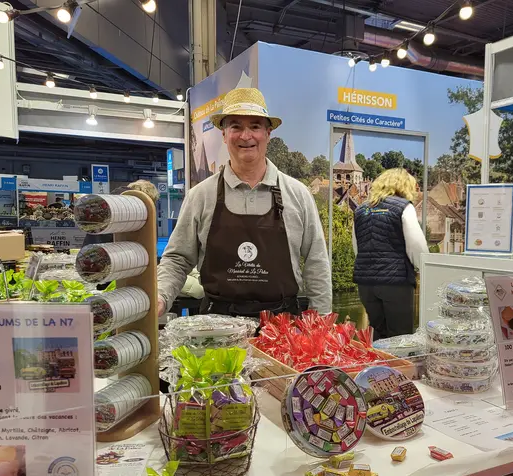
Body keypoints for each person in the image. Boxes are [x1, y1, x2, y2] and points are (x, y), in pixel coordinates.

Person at [156, 87, 331, 318]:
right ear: (224, 134)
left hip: (283, 329)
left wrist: (322, 323)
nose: (245, 135)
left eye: (255, 126)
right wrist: (160, 296)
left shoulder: (298, 195)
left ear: (268, 133)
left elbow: (316, 263)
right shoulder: (201, 196)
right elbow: (178, 259)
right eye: (236, 126)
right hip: (217, 328)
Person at [353, 168, 429, 340]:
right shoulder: (403, 207)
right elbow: (417, 248)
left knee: (377, 334)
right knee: (400, 337)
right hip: (396, 283)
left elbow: (357, 248)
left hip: (366, 284)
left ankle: (378, 366)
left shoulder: (361, 210)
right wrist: (425, 272)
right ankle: (398, 367)